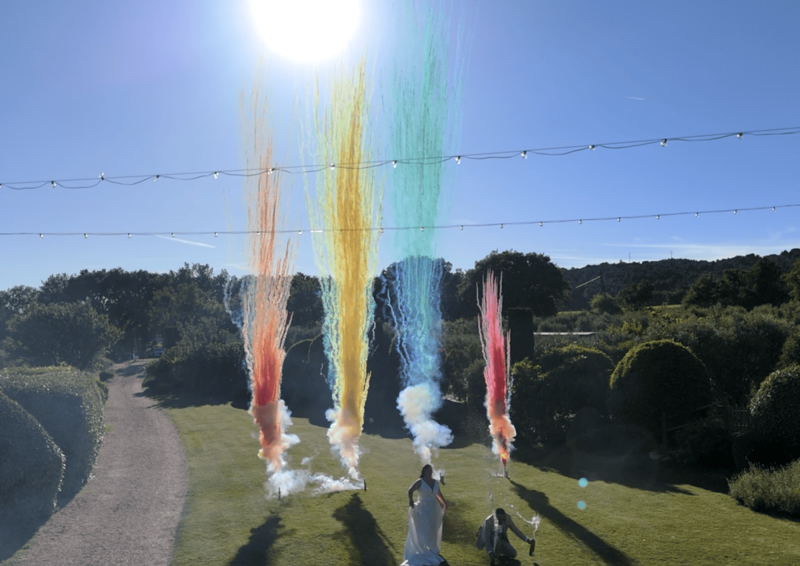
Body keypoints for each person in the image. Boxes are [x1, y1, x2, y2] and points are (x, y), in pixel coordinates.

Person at [402, 464, 448, 566]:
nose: (430, 472)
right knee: (423, 530)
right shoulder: (420, 482)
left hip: (433, 510)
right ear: (424, 471)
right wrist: (411, 501)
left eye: (431, 470)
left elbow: (438, 494)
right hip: (422, 510)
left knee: (432, 530)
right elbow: (410, 491)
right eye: (428, 470)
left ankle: (430, 548)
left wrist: (444, 503)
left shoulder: (435, 482)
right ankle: (420, 548)